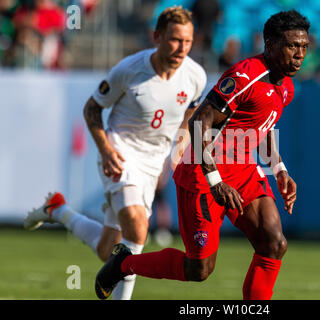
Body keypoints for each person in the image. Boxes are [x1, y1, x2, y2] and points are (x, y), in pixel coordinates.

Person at [95, 10, 308, 300]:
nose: (299, 54)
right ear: (270, 44)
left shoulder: (286, 86)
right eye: (292, 46)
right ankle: (124, 263)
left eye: (304, 47)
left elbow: (261, 127)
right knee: (199, 269)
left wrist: (280, 169)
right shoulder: (245, 76)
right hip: (203, 175)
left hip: (244, 173)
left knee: (274, 243)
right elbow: (198, 123)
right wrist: (215, 181)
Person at [24, 6, 206, 300]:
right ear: (157, 36)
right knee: (138, 228)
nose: (181, 48)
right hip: (120, 152)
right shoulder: (129, 70)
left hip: (152, 161)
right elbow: (92, 108)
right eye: (174, 40)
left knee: (108, 250)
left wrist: (180, 147)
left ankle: (58, 210)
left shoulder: (195, 75)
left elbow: (191, 111)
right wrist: (106, 149)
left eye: (187, 41)